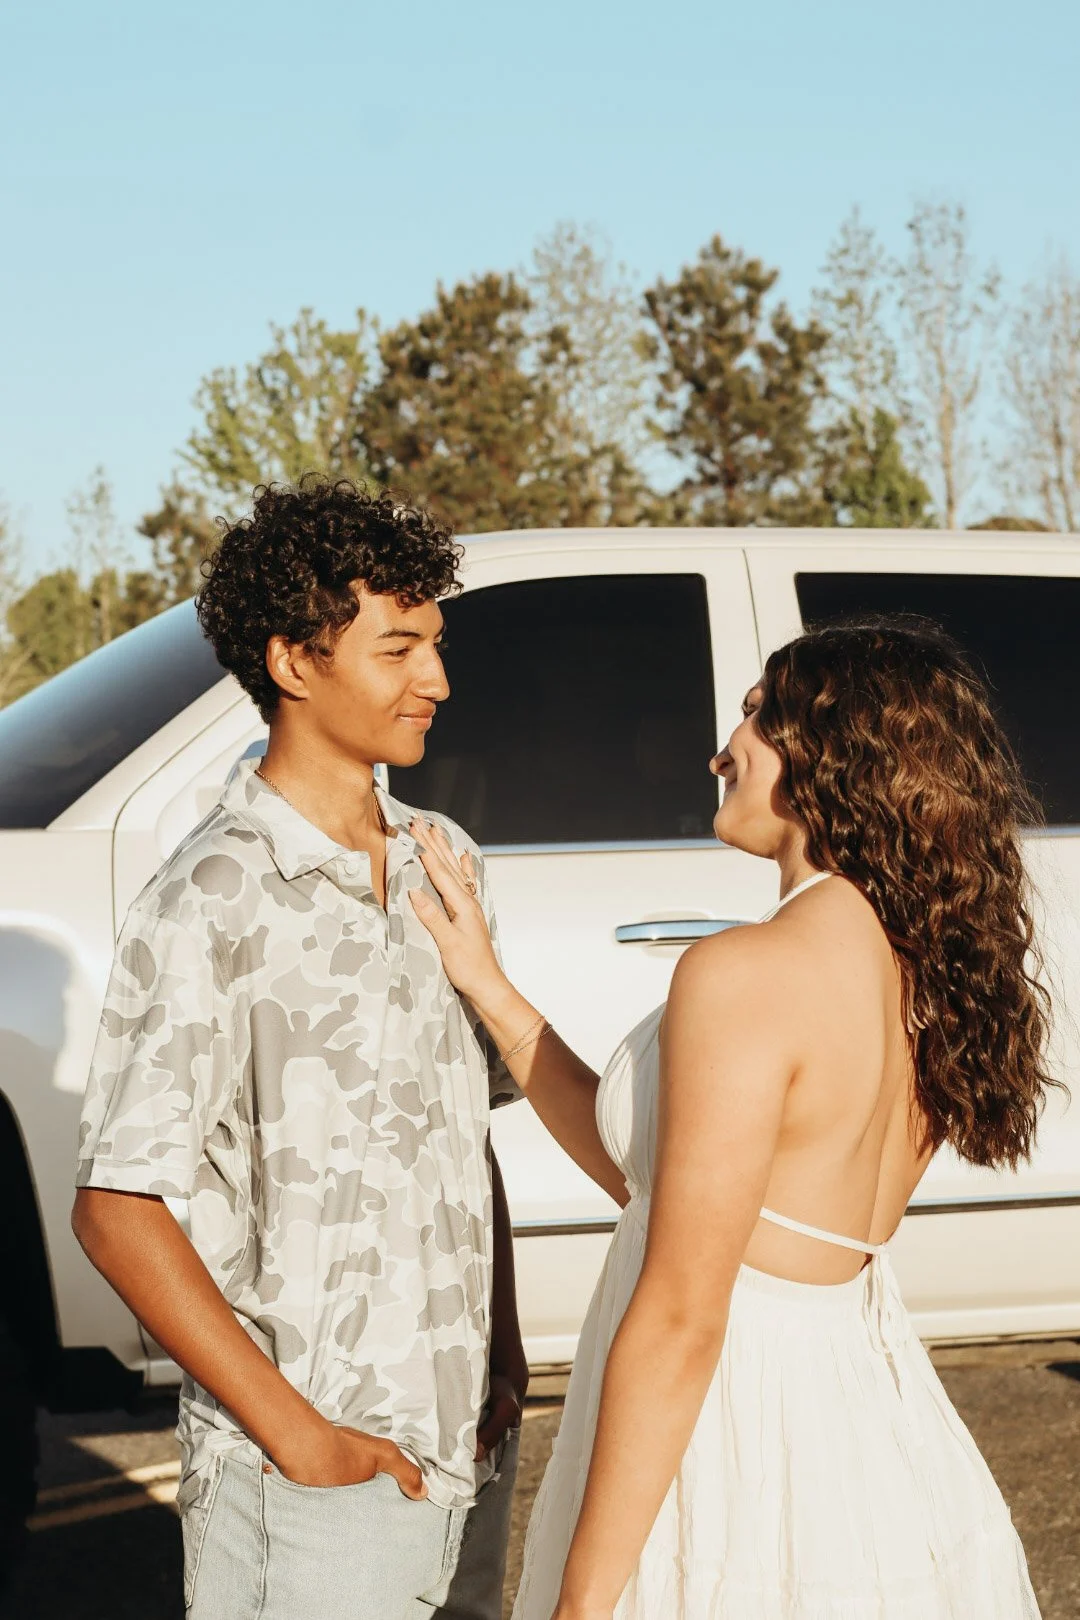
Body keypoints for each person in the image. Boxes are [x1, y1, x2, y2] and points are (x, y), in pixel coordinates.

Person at [408, 615, 1051, 1619]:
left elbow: (680, 1315)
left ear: (835, 753)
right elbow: (666, 1188)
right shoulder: (924, 967)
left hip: (738, 1447)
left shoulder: (746, 972)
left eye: (757, 717)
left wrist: (582, 1602)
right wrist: (489, 985)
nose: (722, 750)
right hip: (870, 1445)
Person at [72, 477, 527, 1620]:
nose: (439, 679)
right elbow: (118, 1208)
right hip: (308, 1478)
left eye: (436, 644)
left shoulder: (444, 858)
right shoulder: (210, 897)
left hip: (463, 1446)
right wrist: (300, 1437)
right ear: (294, 661)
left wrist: (503, 1360)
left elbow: (464, 1140)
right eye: (399, 648)